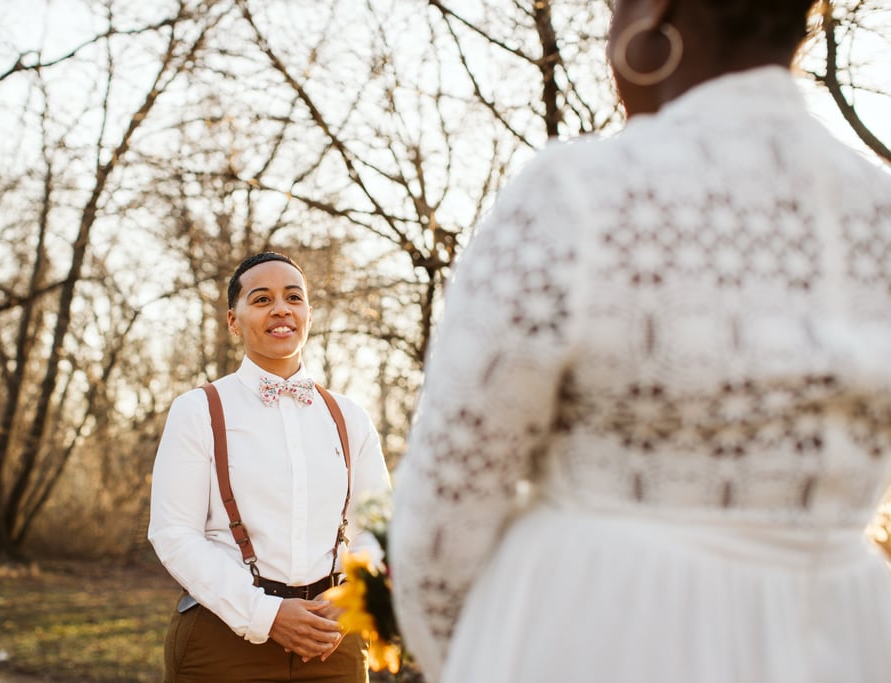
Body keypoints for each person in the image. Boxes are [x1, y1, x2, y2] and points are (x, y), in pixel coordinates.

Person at [390, 1, 891, 681]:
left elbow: (442, 524)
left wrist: (490, 652)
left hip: (599, 627)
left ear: (653, 11)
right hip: (842, 636)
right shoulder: (878, 209)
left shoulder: (579, 194)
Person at [149, 251, 391, 683]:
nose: (281, 308)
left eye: (293, 297)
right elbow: (174, 533)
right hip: (224, 640)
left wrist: (352, 594)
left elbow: (376, 529)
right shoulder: (198, 411)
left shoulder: (350, 417)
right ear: (233, 320)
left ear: (309, 314)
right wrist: (267, 615)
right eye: (261, 299)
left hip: (332, 642)